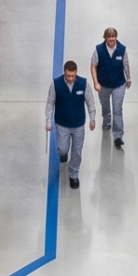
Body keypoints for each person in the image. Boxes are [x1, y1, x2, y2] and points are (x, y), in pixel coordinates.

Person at [50, 59, 94, 189]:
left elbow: (90, 102)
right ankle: (63, 153)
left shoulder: (83, 84)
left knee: (77, 151)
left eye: (73, 76)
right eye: (68, 76)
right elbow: (50, 103)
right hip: (62, 123)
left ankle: (73, 175)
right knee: (63, 148)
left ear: (76, 73)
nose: (70, 78)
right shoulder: (56, 84)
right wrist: (48, 121)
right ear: (64, 73)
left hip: (78, 124)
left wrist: (92, 118)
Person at [92, 27, 131, 150]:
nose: (111, 41)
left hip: (119, 84)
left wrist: (128, 78)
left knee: (117, 109)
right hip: (103, 85)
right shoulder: (98, 50)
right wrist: (96, 82)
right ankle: (107, 120)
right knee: (105, 106)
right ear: (105, 38)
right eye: (109, 39)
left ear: (116, 38)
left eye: (113, 39)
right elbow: (93, 66)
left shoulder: (122, 50)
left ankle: (118, 136)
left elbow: (126, 64)